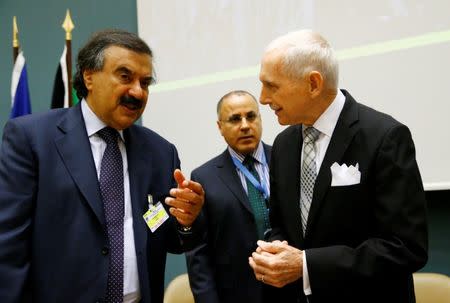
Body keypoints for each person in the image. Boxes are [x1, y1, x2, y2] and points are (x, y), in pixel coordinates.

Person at [0, 29, 204, 303]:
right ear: (89, 76)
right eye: (125, 77)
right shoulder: (32, 139)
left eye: (145, 83)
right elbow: (8, 244)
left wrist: (187, 222)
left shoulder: (160, 152)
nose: (137, 92)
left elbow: (169, 240)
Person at [248, 29, 428, 303]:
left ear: (313, 84)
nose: (262, 98)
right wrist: (276, 250)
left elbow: (404, 248)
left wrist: (306, 265)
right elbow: (282, 224)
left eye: (271, 86)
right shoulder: (283, 145)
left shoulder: (385, 137)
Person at [186, 90, 271, 303]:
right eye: (234, 119)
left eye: (251, 116)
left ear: (260, 119)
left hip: (292, 291)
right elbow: (199, 252)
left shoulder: (285, 157)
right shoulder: (204, 177)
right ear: (220, 127)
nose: (244, 125)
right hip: (237, 294)